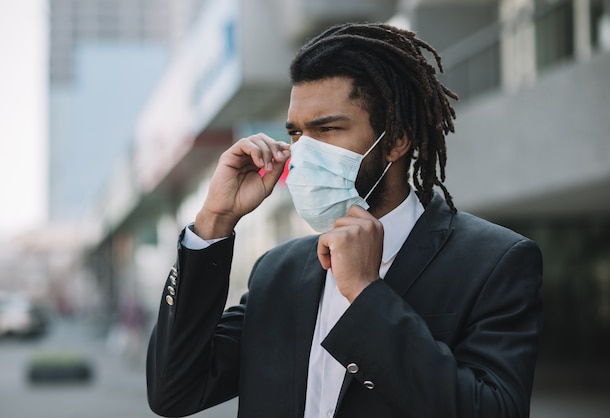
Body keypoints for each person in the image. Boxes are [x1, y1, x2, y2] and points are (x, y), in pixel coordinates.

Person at [146, 22, 543, 418]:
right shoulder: (277, 272)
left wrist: (367, 296)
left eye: (328, 129)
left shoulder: (493, 262)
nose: (303, 151)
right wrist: (213, 222)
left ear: (396, 139)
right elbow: (173, 391)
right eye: (297, 133)